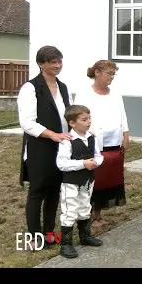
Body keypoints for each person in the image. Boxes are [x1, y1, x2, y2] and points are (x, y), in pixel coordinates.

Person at [18, 45, 72, 250]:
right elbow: (27, 122)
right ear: (41, 64)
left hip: (61, 146)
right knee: (38, 191)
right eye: (52, 62)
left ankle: (49, 234)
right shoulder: (31, 88)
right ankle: (33, 236)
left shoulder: (63, 87)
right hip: (40, 146)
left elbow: (68, 116)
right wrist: (53, 135)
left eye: (59, 61)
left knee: (54, 191)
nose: (57, 65)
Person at [73, 60, 130, 227]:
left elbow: (123, 116)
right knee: (93, 178)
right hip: (92, 142)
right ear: (97, 73)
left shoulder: (115, 95)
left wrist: (125, 135)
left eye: (113, 74)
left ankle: (98, 214)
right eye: (109, 74)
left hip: (113, 142)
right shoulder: (85, 94)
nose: (111, 78)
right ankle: (87, 213)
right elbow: (77, 117)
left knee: (107, 177)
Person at [55, 104, 105, 258]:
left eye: (89, 118)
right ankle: (65, 244)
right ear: (72, 123)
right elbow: (61, 163)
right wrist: (83, 164)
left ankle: (85, 236)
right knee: (70, 210)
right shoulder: (66, 141)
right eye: (84, 119)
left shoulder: (91, 137)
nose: (89, 121)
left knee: (85, 207)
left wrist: (96, 162)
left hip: (88, 180)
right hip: (71, 182)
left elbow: (98, 155)